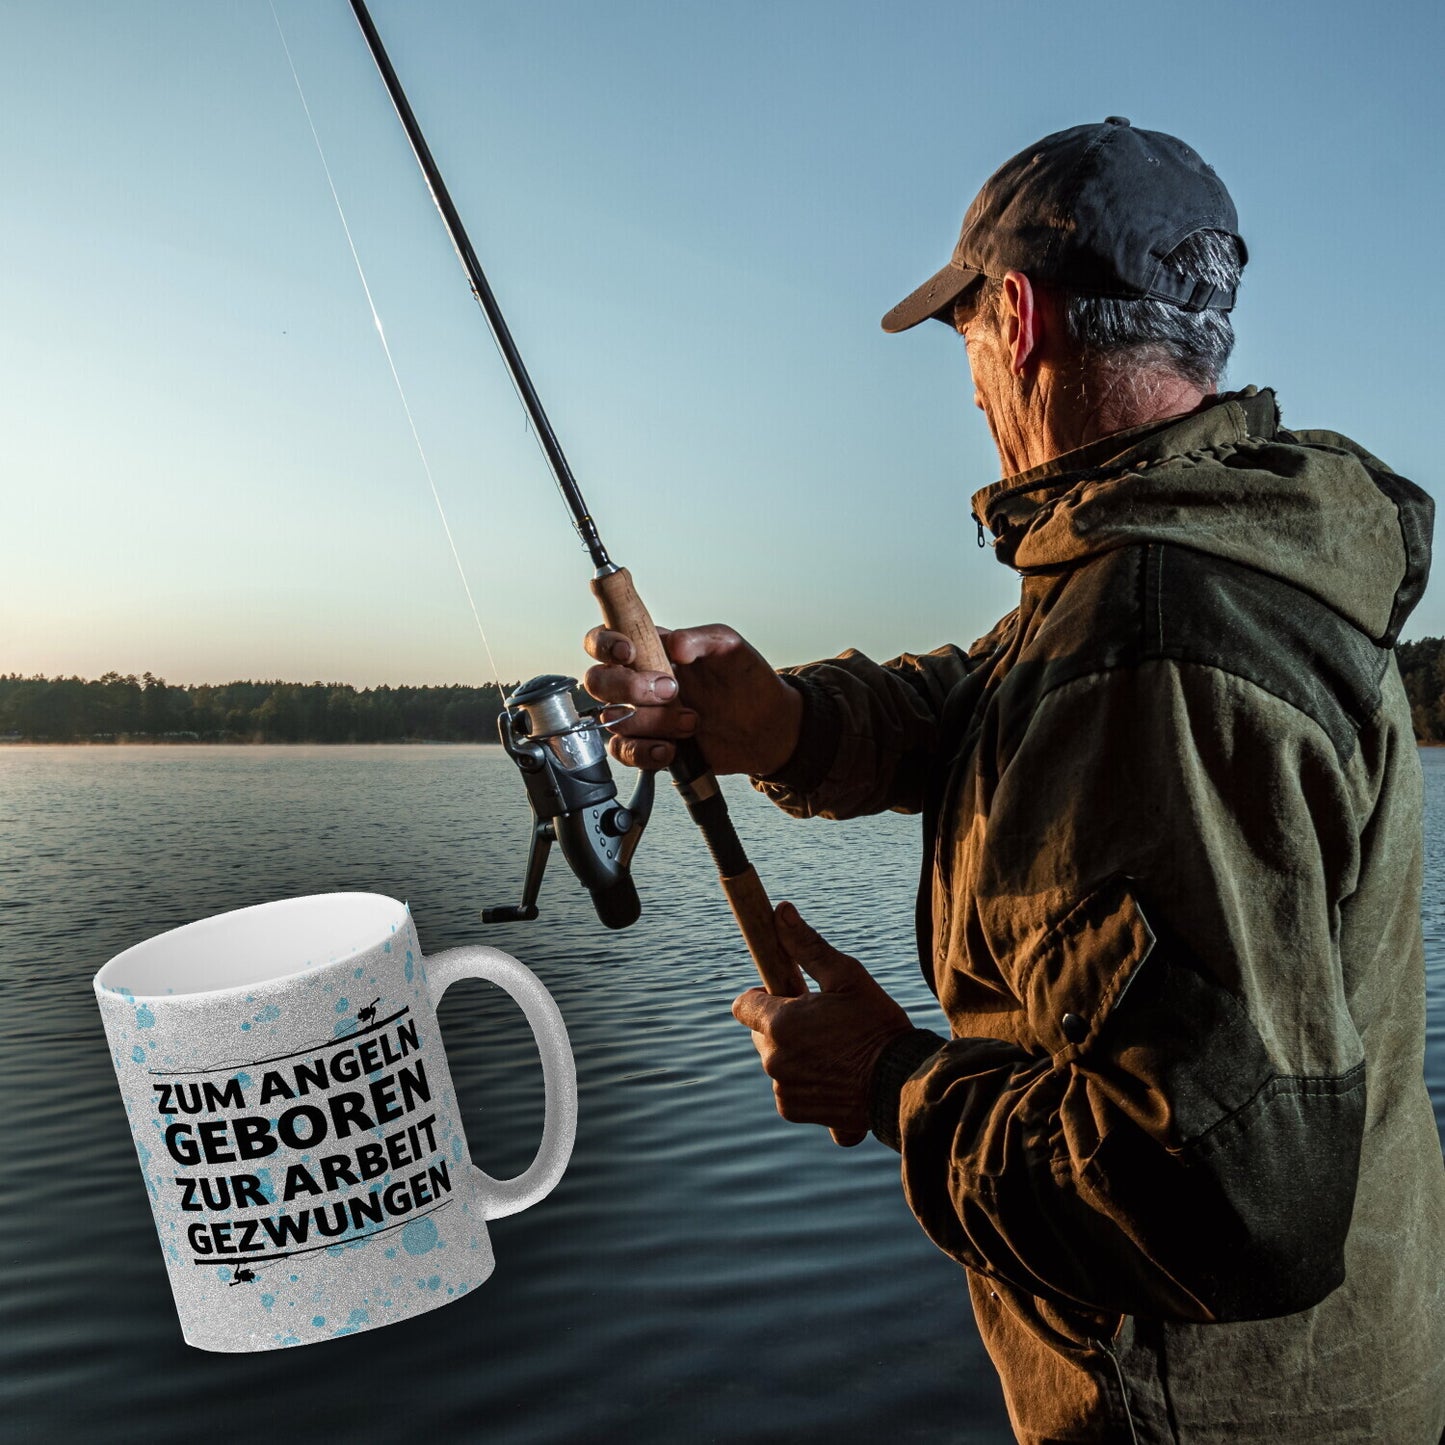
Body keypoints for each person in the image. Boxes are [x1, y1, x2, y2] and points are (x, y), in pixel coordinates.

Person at [584, 118, 1445, 1443]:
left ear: (1020, 317)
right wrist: (778, 719)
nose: (973, 385)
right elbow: (983, 698)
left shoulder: (1157, 636)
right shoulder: (1202, 552)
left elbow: (1222, 1197)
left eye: (966, 338)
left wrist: (887, 1081)